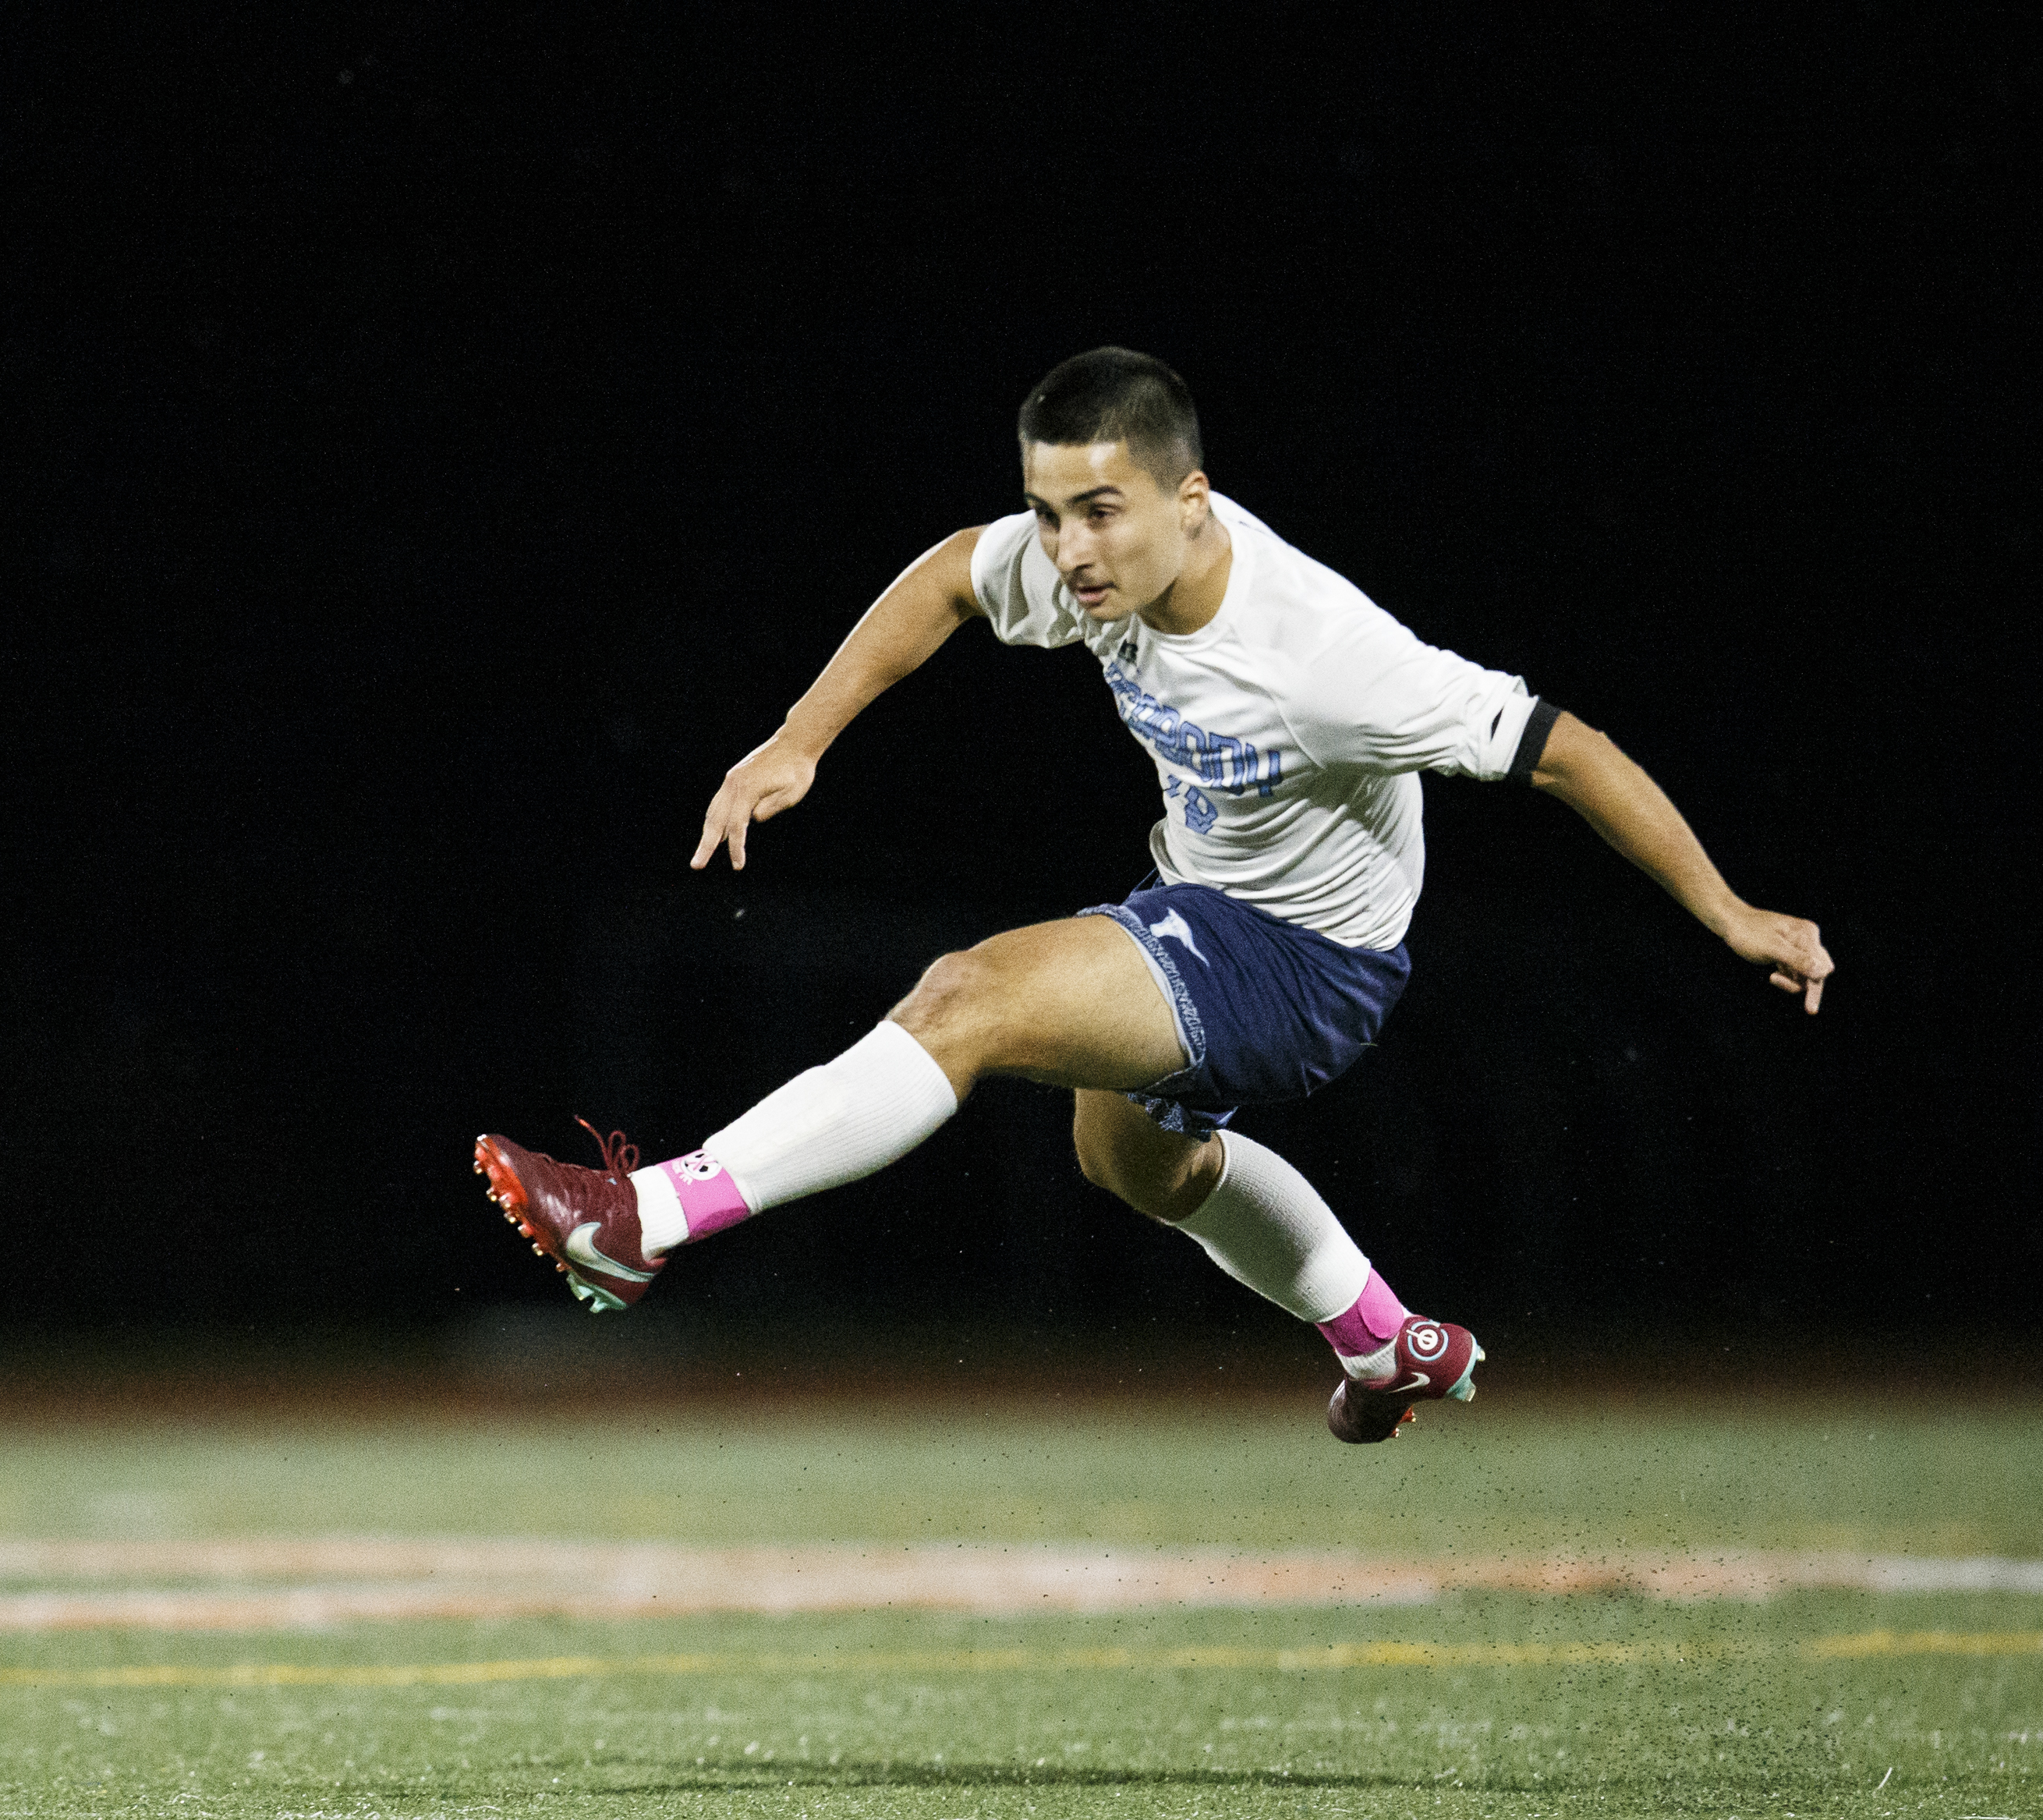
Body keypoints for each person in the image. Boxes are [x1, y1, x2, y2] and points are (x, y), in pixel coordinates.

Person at [474, 346, 1832, 1443]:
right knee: (1131, 1159)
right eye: (1050, 509)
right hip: (1207, 902)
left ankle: (646, 1222)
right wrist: (799, 738)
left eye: (1100, 510)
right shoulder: (1093, 567)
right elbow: (953, 573)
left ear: (1193, 500)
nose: (1066, 549)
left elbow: (1563, 749)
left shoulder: (1324, 656)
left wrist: (1731, 914)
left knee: (969, 996)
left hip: (1310, 961)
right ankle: (1380, 1338)